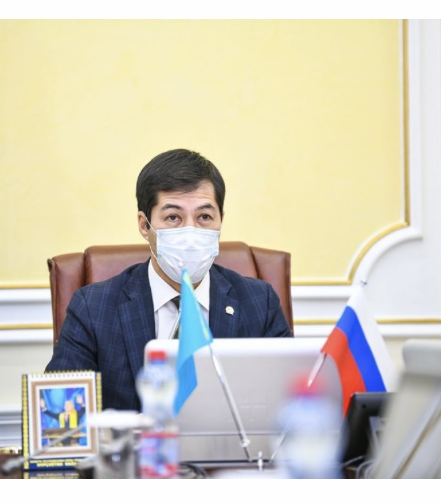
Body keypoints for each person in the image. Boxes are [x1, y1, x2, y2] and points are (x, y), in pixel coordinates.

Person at [45, 148, 291, 411]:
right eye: (173, 217)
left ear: (221, 220)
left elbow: (292, 405)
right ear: (144, 225)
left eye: (204, 217)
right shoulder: (93, 308)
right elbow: (59, 417)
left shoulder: (259, 303)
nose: (190, 232)